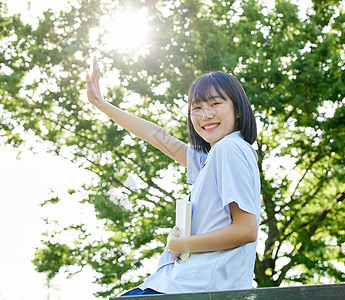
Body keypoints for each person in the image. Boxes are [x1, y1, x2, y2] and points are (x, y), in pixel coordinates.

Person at [86, 57, 261, 296]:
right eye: (196, 108)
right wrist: (101, 103)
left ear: (238, 110)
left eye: (215, 104)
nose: (205, 115)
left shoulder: (228, 149)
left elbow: (246, 230)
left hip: (195, 287)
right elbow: (159, 137)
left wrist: (178, 244)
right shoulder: (212, 158)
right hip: (185, 284)